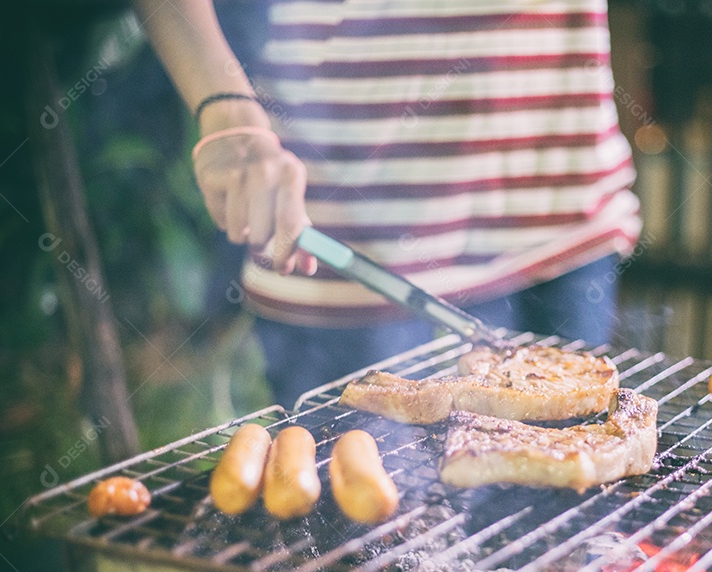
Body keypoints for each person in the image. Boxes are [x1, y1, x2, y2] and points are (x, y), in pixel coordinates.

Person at [135, 0, 642, 407]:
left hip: (561, 209)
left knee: (570, 521)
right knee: (346, 529)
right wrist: (226, 109)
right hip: (344, 245)